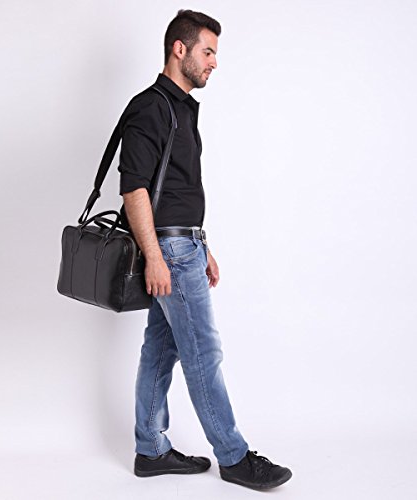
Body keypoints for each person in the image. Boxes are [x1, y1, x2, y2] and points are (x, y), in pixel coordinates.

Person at [117, 9, 292, 491]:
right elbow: (133, 188)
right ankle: (233, 458)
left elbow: (177, 188)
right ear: (180, 49)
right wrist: (156, 256)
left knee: (162, 348)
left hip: (184, 244)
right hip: (169, 251)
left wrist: (202, 242)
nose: (214, 62)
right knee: (203, 351)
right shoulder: (151, 108)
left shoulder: (182, 107)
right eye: (208, 51)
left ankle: (151, 450)